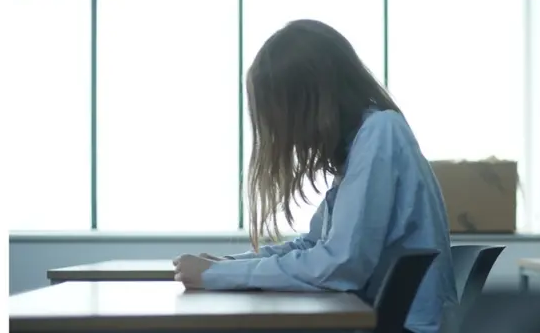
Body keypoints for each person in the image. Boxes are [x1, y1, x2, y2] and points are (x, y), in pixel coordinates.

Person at [173, 19, 458, 333]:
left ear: (308, 101)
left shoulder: (380, 133)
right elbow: (312, 245)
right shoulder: (362, 141)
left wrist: (217, 276)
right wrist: (229, 265)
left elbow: (339, 265)